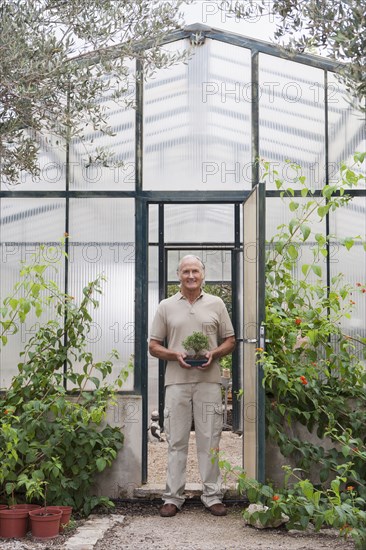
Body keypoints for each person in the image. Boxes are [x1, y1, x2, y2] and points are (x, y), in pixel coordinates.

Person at [149, 255, 236, 518]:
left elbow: (230, 340)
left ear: (203, 274)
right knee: (176, 440)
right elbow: (153, 345)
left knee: (210, 440)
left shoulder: (216, 304)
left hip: (209, 381)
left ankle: (212, 495)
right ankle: (173, 497)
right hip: (176, 382)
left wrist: (214, 353)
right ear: (179, 275)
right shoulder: (166, 306)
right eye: (185, 271)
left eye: (195, 271)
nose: (190, 275)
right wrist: (175, 355)